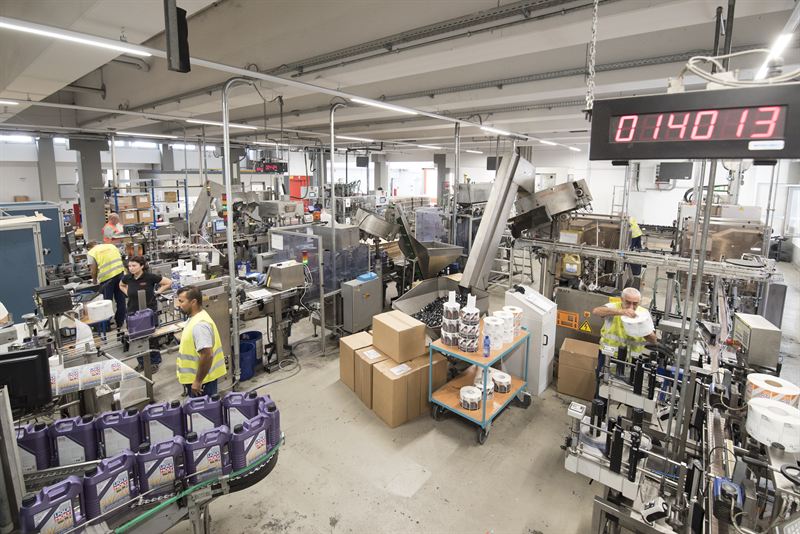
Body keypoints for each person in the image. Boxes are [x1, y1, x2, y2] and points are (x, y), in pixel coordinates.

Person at [120, 256, 172, 373]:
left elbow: (168, 282)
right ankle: (141, 362)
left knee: (151, 338)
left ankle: (154, 361)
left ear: (142, 266)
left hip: (148, 312)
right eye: (129, 266)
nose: (131, 268)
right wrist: (128, 293)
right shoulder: (127, 278)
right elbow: (121, 285)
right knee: (136, 338)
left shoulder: (149, 277)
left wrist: (157, 292)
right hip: (133, 312)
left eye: (134, 266)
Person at [175, 286, 227, 397]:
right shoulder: (195, 318)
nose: (178, 305)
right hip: (200, 379)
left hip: (203, 383)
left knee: (203, 408)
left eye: (181, 301)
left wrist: (198, 381)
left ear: (193, 302)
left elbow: (207, 355)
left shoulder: (200, 325)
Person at [592, 287, 657, 366]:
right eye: (628, 302)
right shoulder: (613, 307)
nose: (631, 307)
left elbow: (653, 340)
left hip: (632, 359)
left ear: (639, 302)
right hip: (609, 355)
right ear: (622, 299)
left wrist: (644, 330)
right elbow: (596, 311)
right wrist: (621, 311)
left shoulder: (644, 313)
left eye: (635, 303)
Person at [87, 241, 127, 329]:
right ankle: (120, 322)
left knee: (106, 303)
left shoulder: (91, 252)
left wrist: (94, 280)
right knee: (121, 300)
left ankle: (106, 326)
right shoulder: (111, 246)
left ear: (89, 248)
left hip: (106, 279)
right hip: (120, 274)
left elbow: (93, 270)